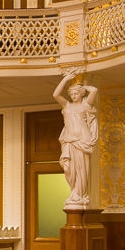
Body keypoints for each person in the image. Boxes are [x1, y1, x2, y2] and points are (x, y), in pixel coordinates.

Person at [54, 70, 97, 208]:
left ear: (81, 93)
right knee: (68, 167)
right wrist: (66, 79)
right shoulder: (67, 105)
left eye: (76, 93)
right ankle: (74, 191)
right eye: (71, 94)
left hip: (82, 140)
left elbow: (94, 90)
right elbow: (55, 95)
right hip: (68, 140)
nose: (73, 96)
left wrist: (82, 86)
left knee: (81, 169)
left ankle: (79, 194)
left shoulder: (86, 105)